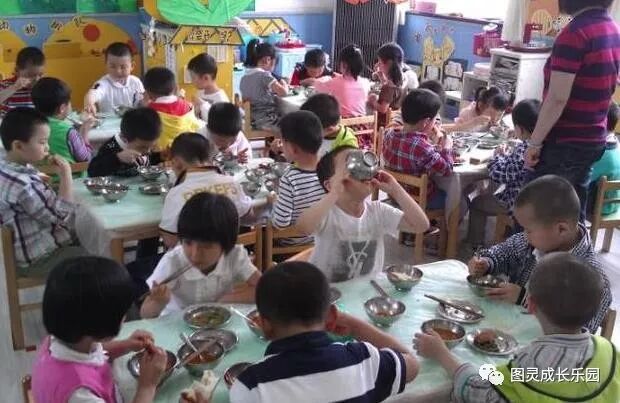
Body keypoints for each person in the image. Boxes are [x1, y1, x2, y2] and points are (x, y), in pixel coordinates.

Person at [414, 252, 620, 403]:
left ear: (530, 304)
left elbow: (479, 393)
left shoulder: (532, 364)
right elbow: (568, 378)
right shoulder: (609, 351)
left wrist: (442, 354)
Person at [230, 261, 419, 403]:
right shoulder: (364, 360)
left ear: (264, 325)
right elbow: (412, 363)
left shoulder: (250, 386)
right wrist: (355, 326)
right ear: (331, 317)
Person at [468, 175, 611, 333]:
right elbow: (505, 252)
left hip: (546, 346)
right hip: (509, 331)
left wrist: (524, 299)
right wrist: (487, 262)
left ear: (561, 229)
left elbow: (579, 335)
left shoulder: (593, 280)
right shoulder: (533, 242)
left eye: (529, 230)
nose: (525, 234)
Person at [525, 0, 620, 221]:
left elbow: (557, 98)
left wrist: (534, 142)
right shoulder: (612, 29)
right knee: (571, 216)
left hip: (565, 142)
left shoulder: (575, 33)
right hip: (593, 138)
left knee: (537, 217)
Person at [32, 256, 169, 403]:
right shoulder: (80, 394)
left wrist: (125, 345)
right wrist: (147, 386)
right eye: (123, 314)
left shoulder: (59, 338)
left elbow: (94, 353)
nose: (125, 317)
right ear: (100, 327)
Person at [296, 146, 429, 282]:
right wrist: (334, 192)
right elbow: (303, 227)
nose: (362, 167)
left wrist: (396, 190)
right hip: (329, 291)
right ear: (329, 185)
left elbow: (421, 225)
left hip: (368, 289)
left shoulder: (378, 211)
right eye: (350, 163)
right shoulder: (327, 214)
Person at [141, 192, 261, 318]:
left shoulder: (234, 255)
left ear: (227, 244)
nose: (195, 255)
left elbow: (262, 289)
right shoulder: (173, 261)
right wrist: (158, 302)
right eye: (188, 243)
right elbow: (145, 314)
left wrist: (225, 300)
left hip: (217, 322)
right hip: (175, 323)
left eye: (206, 246)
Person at [0, 108, 87, 275]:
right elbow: (62, 215)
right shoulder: (25, 185)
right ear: (18, 145)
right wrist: (66, 174)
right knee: (95, 259)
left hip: (23, 246)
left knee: (84, 232)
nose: (47, 147)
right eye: (42, 142)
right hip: (39, 256)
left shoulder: (6, 167)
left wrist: (40, 178)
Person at [159, 133, 253, 249]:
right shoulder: (231, 182)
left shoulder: (176, 194)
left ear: (177, 162)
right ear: (209, 157)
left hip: (193, 258)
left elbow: (170, 241)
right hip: (230, 254)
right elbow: (249, 217)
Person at [468, 99, 541, 246]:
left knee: (477, 203)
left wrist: (497, 156)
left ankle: (475, 244)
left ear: (519, 129)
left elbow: (499, 174)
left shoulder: (524, 150)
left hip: (514, 203)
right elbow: (514, 169)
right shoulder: (542, 147)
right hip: (537, 203)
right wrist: (505, 156)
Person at [382, 89, 453, 209]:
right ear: (426, 122)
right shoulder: (422, 147)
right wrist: (447, 147)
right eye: (434, 119)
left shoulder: (389, 134)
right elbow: (447, 170)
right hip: (417, 199)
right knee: (457, 199)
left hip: (394, 194)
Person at [272, 111, 326, 245]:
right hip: (322, 240)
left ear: (293, 149)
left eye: (283, 143)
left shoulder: (290, 179)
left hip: (293, 244)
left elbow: (280, 224)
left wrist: (273, 202)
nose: (281, 147)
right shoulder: (329, 171)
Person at [31, 77, 94, 163]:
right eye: (69, 102)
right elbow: (85, 158)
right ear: (62, 108)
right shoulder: (68, 131)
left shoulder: (29, 126)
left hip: (39, 172)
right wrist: (84, 132)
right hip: (70, 171)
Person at [88, 107, 162, 177]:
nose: (148, 151)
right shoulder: (110, 147)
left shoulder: (145, 144)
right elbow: (92, 171)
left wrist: (160, 158)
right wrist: (118, 158)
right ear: (125, 139)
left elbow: (150, 161)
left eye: (152, 146)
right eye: (143, 147)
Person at [143, 66, 202, 151]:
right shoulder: (188, 105)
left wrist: (144, 106)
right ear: (175, 88)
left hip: (162, 153)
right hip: (188, 149)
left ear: (148, 92)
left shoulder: (149, 112)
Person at [240, 39, 288, 131]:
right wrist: (284, 83)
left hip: (252, 121)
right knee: (294, 122)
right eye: (274, 63)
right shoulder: (264, 75)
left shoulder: (244, 78)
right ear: (267, 60)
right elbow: (283, 93)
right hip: (268, 121)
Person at [83, 42, 144, 114]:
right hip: (109, 121)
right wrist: (89, 103)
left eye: (123, 67)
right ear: (106, 65)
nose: (118, 71)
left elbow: (142, 100)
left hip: (132, 120)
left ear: (132, 66)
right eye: (112, 66)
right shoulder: (102, 84)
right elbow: (92, 93)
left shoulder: (136, 82)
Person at [314, 44, 371, 118]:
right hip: (363, 124)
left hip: (343, 124)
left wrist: (319, 79)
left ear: (344, 64)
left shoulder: (335, 82)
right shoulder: (365, 82)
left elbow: (317, 85)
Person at [588, 101, 620, 215]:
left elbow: (586, 177)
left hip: (601, 207)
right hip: (615, 203)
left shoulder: (602, 152)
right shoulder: (616, 144)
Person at [0, 47, 45, 111]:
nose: (37, 80)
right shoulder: (5, 85)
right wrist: (14, 87)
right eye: (30, 76)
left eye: (40, 75)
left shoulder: (43, 88)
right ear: (17, 70)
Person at [187, 52, 229, 120]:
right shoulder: (200, 93)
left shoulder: (222, 100)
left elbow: (221, 123)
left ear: (206, 78)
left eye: (193, 77)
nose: (192, 81)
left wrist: (202, 105)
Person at [368, 43, 406, 117]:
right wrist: (381, 76)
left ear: (389, 63)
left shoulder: (389, 86)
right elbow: (390, 94)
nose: (377, 65)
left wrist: (373, 101)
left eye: (380, 62)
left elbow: (383, 109)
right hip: (396, 119)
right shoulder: (402, 80)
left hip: (384, 122)